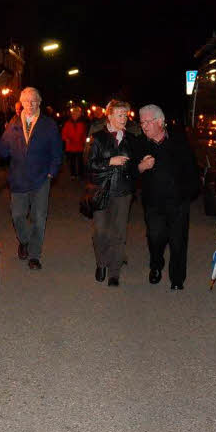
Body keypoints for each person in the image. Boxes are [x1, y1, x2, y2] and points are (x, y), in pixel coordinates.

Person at [0, 87, 63, 270]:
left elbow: (57, 152)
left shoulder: (48, 125)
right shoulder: (14, 124)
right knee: (17, 216)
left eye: (34, 100)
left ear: (39, 102)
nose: (30, 104)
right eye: (26, 101)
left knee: (39, 218)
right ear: (21, 104)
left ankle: (34, 255)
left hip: (40, 179)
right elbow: (4, 152)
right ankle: (25, 240)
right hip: (19, 179)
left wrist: (51, 172)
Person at [136, 104, 199, 289]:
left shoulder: (179, 142)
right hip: (153, 204)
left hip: (177, 203)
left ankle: (177, 279)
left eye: (148, 122)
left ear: (161, 122)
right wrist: (141, 167)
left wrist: (186, 194)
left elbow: (192, 172)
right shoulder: (140, 144)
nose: (144, 126)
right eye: (142, 122)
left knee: (178, 241)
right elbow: (130, 172)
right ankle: (156, 265)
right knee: (155, 238)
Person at [86, 99, 139, 287]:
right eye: (120, 114)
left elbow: (134, 165)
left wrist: (141, 167)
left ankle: (114, 272)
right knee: (100, 232)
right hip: (102, 190)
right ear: (109, 116)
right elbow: (90, 164)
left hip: (123, 192)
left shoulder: (131, 138)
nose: (124, 118)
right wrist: (110, 162)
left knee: (119, 232)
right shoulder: (98, 137)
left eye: (125, 114)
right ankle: (101, 262)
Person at [61, 106, 88, 180]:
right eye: (74, 114)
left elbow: (84, 134)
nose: (75, 115)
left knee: (80, 161)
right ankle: (73, 174)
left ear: (79, 115)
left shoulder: (82, 123)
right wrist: (66, 139)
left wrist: (85, 143)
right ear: (72, 115)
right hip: (71, 146)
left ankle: (80, 174)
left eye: (77, 114)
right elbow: (63, 134)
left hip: (79, 145)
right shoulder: (67, 123)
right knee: (72, 161)